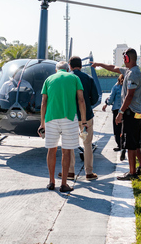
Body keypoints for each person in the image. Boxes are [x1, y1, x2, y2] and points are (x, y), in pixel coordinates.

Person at [92, 48, 141, 180]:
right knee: (134, 142)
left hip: (132, 114)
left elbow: (129, 96)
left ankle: (132, 172)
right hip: (135, 113)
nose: (123, 61)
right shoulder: (129, 71)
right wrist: (99, 64)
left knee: (130, 144)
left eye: (124, 58)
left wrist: (120, 112)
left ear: (128, 59)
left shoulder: (133, 74)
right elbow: (113, 67)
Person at [38, 61, 88, 192]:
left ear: (56, 70)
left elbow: (43, 102)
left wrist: (42, 123)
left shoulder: (49, 79)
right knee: (66, 151)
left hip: (51, 118)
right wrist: (83, 121)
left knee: (51, 150)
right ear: (67, 70)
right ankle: (64, 184)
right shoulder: (74, 78)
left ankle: (51, 181)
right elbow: (81, 100)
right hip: (69, 118)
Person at [63, 56, 100, 181]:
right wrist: (87, 104)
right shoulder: (88, 78)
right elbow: (95, 98)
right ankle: (89, 173)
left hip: (70, 116)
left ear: (70, 65)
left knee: (70, 143)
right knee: (87, 144)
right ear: (81, 65)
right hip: (86, 116)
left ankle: (70, 171)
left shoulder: (67, 78)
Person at [102, 74, 124, 151]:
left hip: (117, 110)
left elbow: (111, 99)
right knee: (125, 128)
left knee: (117, 128)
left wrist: (106, 103)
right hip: (127, 110)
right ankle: (125, 144)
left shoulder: (116, 87)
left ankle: (119, 145)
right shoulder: (129, 86)